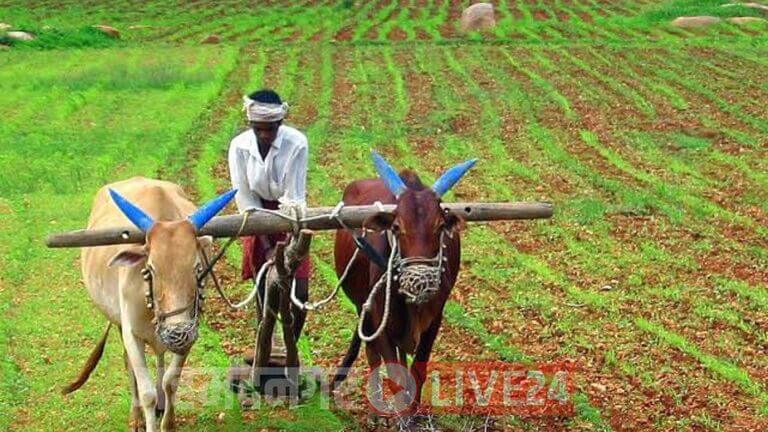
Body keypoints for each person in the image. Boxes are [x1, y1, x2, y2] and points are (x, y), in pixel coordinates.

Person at [228, 88, 310, 340]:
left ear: (280, 122)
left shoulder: (296, 143)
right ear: (251, 124)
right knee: (264, 284)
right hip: (256, 216)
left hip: (290, 215)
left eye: (271, 128)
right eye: (259, 128)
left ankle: (290, 346)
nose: (265, 134)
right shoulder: (239, 147)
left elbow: (293, 197)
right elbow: (245, 198)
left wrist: (289, 248)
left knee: (300, 290)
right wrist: (265, 247)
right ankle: (266, 343)